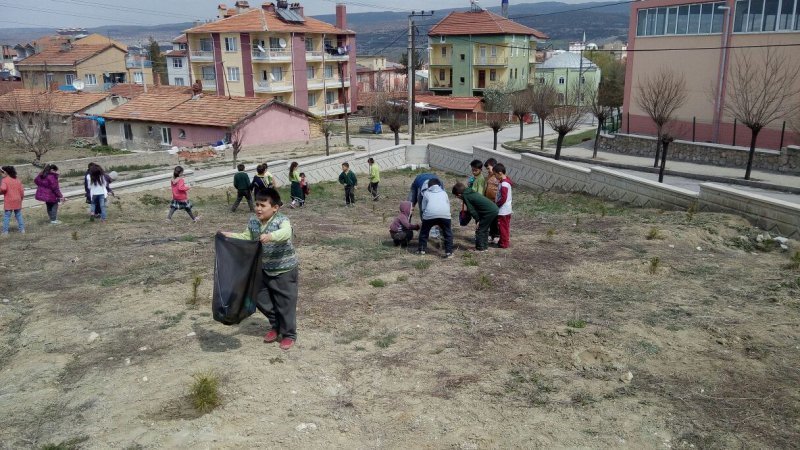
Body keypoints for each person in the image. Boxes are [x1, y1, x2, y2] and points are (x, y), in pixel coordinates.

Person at [220, 188, 299, 350]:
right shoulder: (254, 222)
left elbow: (286, 233)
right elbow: (247, 237)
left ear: (275, 207)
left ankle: (289, 334)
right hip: (262, 269)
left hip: (284, 270)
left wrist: (271, 236)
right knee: (260, 298)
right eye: (256, 204)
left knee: (285, 303)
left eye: (263, 205)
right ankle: (276, 325)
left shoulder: (281, 220)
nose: (258, 208)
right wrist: (229, 235)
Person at [452, 182, 498, 252]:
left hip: (489, 212)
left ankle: (479, 248)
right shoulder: (469, 191)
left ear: (459, 195)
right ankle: (484, 247)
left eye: (456, 196)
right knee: (484, 229)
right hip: (494, 208)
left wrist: (478, 220)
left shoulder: (465, 196)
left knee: (480, 229)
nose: (457, 198)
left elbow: (471, 210)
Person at [418, 178, 454, 258]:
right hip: (445, 215)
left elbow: (423, 207)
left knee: (424, 232)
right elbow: (447, 204)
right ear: (439, 185)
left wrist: (425, 216)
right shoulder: (444, 193)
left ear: (429, 186)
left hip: (430, 215)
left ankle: (422, 250)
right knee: (447, 233)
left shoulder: (426, 193)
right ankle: (449, 252)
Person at [408, 172, 444, 239]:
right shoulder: (421, 194)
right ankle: (406, 228)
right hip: (419, 181)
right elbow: (423, 211)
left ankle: (438, 231)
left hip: (435, 179)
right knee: (409, 206)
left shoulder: (440, 187)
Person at [1, 166, 25, 235]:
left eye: (1, 173)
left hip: (9, 200)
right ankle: (22, 229)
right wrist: (21, 199)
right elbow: (21, 191)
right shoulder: (17, 179)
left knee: (7, 216)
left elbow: (3, 189)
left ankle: (5, 231)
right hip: (18, 199)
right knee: (18, 215)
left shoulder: (5, 180)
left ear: (5, 172)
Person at [494, 163, 513, 248]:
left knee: (502, 227)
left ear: (500, 173)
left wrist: (497, 205)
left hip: (503, 210)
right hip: (505, 209)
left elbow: (503, 198)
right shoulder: (504, 181)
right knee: (504, 226)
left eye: (495, 174)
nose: (495, 176)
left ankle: (504, 243)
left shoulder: (504, 184)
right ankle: (503, 241)